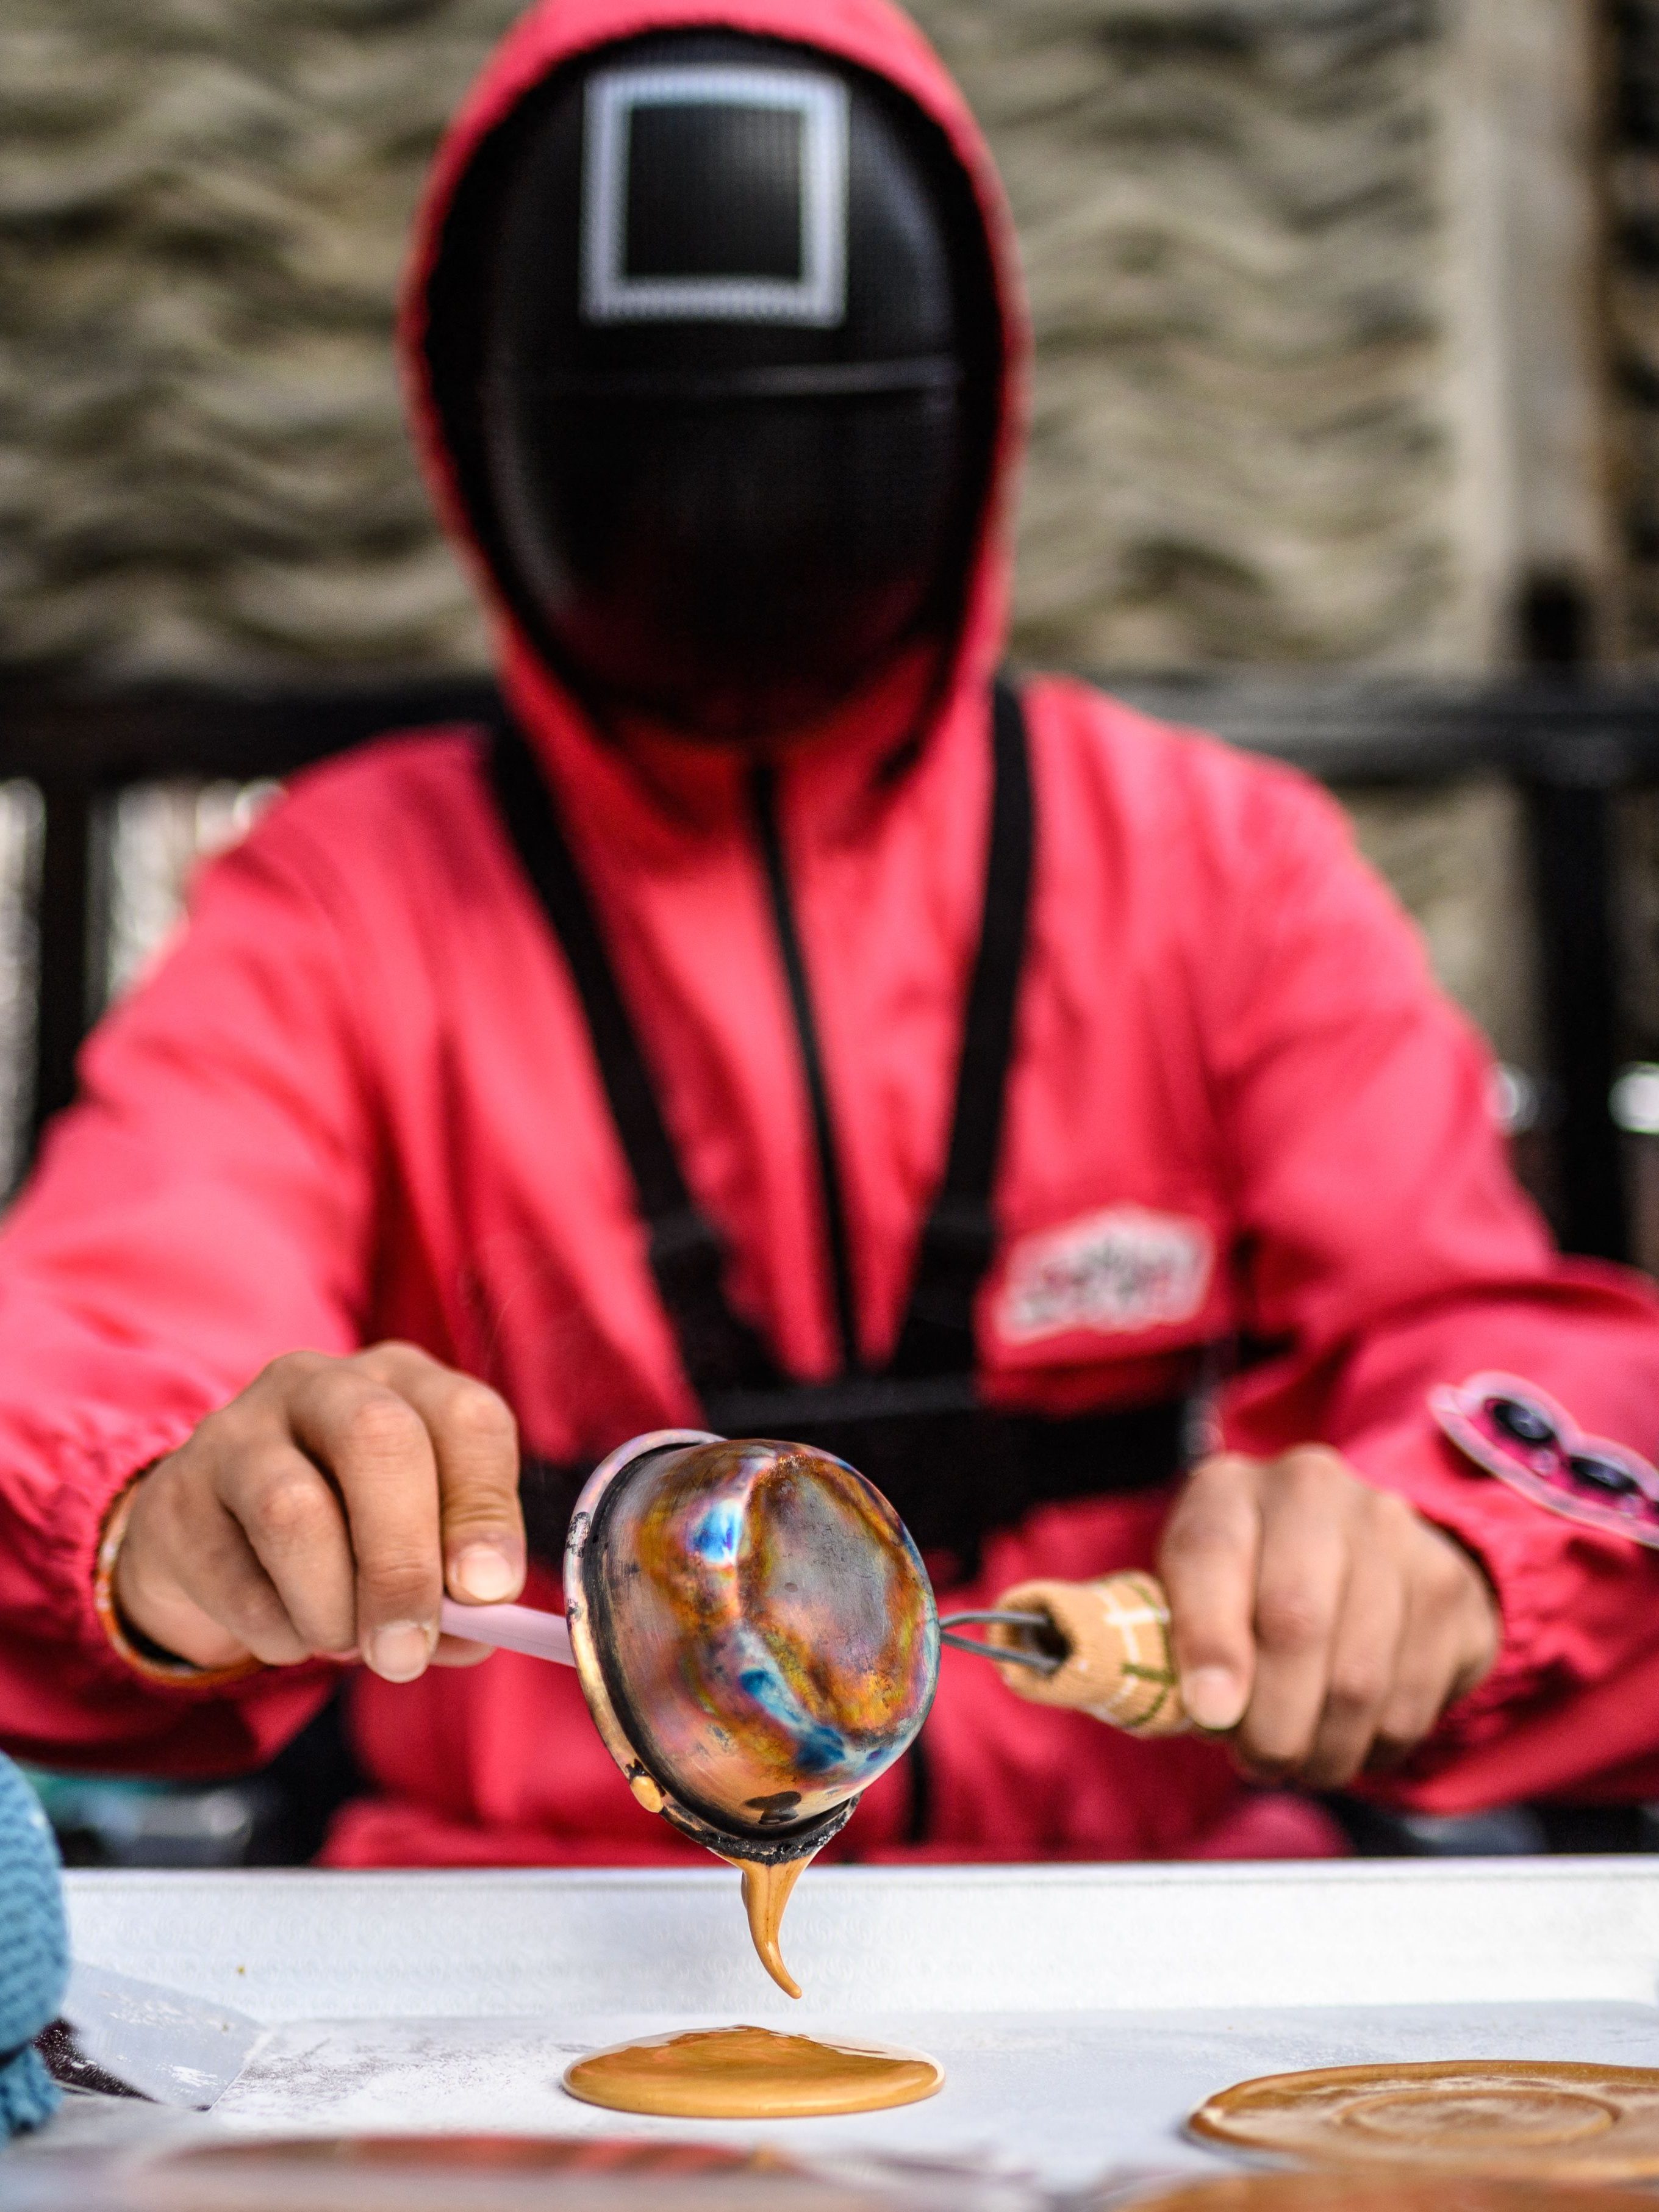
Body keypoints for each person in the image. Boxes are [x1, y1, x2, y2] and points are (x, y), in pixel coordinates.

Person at [2, 0, 1658, 1871]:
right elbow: (98, 1306)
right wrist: (147, 1504)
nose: (732, 519)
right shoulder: (346, 893)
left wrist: (1447, 1550)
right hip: (517, 1959)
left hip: (1147, 1922)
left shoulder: (1222, 865)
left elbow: (1483, 1334)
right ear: (486, 431)